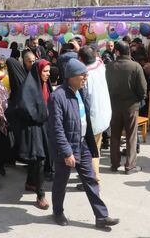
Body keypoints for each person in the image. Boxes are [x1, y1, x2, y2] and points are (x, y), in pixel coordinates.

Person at [48, 59, 119, 229]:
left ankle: (101, 216)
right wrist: (66, 152)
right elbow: (56, 128)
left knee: (91, 180)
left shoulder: (81, 91)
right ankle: (58, 211)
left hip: (82, 144)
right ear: (71, 76)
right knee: (61, 182)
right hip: (66, 148)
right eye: (83, 75)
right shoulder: (57, 97)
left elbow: (84, 119)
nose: (86, 77)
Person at [14, 59, 52, 209]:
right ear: (38, 71)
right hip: (33, 127)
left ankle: (30, 183)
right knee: (40, 160)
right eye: (45, 71)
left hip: (44, 126)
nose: (48, 74)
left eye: (49, 71)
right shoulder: (28, 87)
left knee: (36, 158)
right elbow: (23, 108)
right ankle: (41, 195)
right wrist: (41, 115)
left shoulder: (45, 85)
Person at [106, 41, 147, 174]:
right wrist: (138, 100)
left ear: (117, 52)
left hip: (113, 106)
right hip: (131, 106)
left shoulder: (109, 66)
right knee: (131, 136)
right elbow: (143, 90)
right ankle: (130, 166)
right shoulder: (136, 66)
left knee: (115, 136)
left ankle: (114, 163)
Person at [78, 46, 112, 189]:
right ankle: (94, 176)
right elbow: (94, 57)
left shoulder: (86, 75)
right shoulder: (99, 65)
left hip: (93, 117)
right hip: (103, 113)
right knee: (95, 147)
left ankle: (93, 179)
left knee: (91, 150)